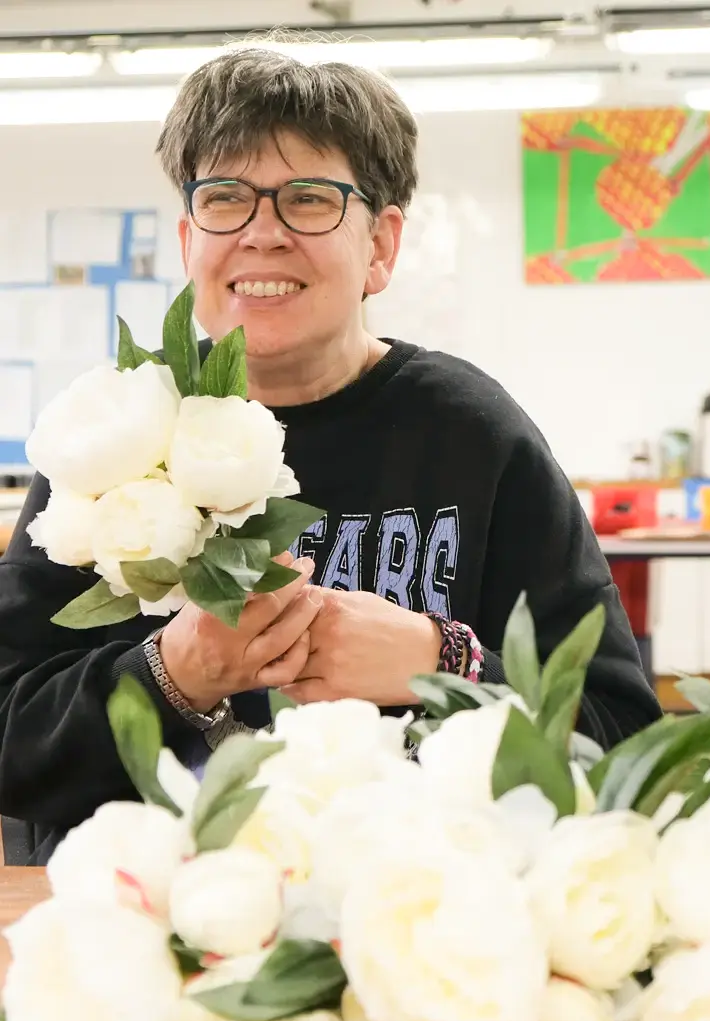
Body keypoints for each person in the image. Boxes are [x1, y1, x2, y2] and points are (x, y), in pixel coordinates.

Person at [0, 47, 662, 861]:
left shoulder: (472, 436)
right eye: (225, 199)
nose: (262, 234)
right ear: (188, 239)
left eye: (309, 199)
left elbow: (622, 738)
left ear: (381, 245)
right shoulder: (112, 443)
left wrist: (439, 660)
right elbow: (9, 742)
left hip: (420, 912)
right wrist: (176, 668)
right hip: (150, 918)